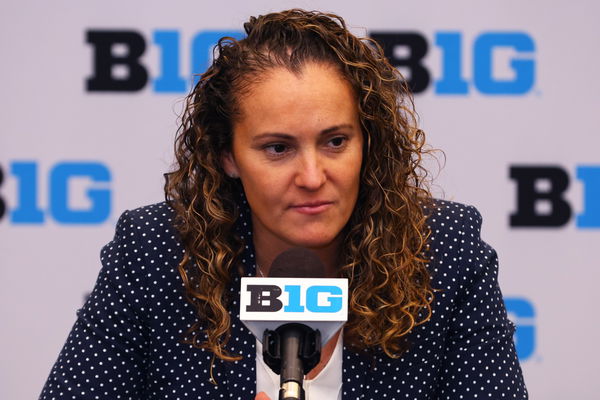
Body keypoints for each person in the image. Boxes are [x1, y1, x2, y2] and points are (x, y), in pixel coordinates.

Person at [39, 9, 528, 400]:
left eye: (335, 142)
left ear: (368, 144)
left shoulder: (443, 251)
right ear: (227, 156)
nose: (313, 177)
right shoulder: (157, 253)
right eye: (278, 148)